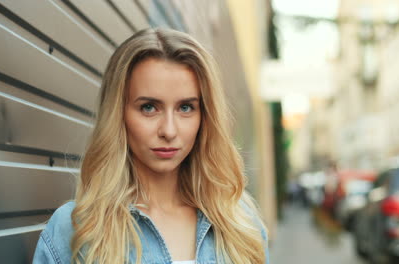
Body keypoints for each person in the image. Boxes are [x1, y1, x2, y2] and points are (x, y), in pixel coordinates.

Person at [33, 28, 269, 264]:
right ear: (119, 114)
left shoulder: (241, 224)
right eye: (149, 107)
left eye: (185, 108)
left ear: (205, 116)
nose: (169, 130)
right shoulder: (75, 229)